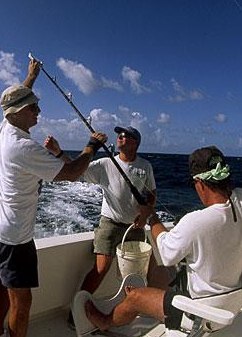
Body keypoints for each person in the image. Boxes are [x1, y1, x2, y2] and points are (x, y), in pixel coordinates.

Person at [0, 57, 107, 337]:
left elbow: (18, 98)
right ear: (18, 113)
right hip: (15, 237)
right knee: (22, 303)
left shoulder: (4, 127)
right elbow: (71, 173)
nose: (39, 111)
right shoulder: (24, 148)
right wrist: (91, 145)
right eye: (34, 108)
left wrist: (31, 76)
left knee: (4, 283)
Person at [85, 146, 242, 332]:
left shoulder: (195, 221)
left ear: (199, 183)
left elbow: (166, 252)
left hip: (200, 313)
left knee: (135, 298)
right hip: (230, 305)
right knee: (162, 272)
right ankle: (149, 301)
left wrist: (151, 216)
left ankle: (106, 321)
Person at [73, 125, 170, 308]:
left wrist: (144, 215)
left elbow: (152, 194)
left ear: (135, 143)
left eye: (126, 136)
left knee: (145, 269)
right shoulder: (104, 164)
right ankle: (78, 308)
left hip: (135, 226)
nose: (120, 138)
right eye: (119, 135)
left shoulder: (145, 166)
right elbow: (77, 170)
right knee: (101, 269)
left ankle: (151, 305)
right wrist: (59, 153)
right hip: (110, 224)